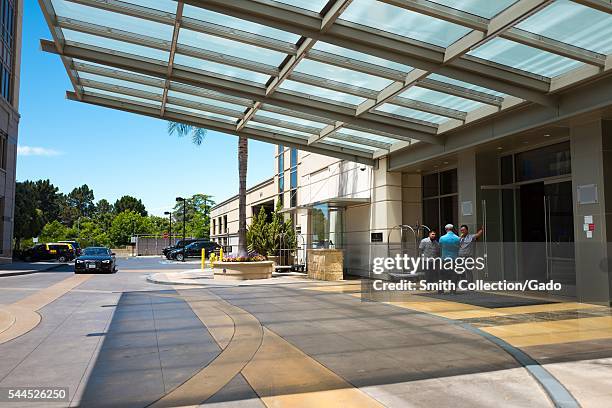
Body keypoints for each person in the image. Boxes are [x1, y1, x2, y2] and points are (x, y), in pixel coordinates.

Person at [439, 224, 460, 294]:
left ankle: (441, 290)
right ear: (453, 229)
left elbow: (440, 247)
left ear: (446, 229)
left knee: (442, 275)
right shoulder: (457, 238)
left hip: (444, 258)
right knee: (454, 275)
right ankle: (452, 291)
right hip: (454, 258)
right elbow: (459, 247)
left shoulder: (442, 238)